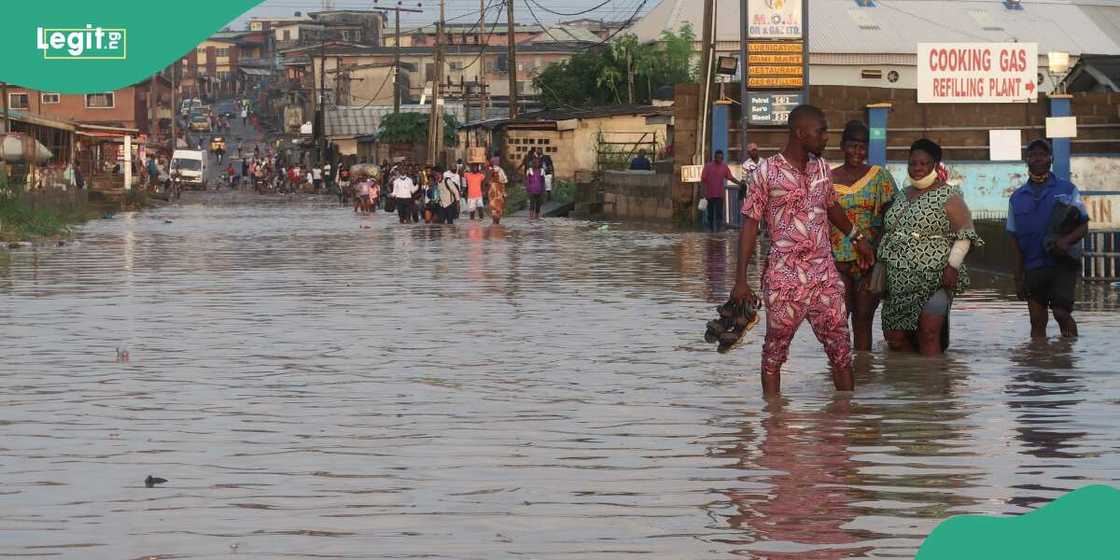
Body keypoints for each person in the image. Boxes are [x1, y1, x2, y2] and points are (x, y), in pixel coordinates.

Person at [730, 104, 875, 395]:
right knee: (774, 355)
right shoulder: (766, 172)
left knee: (841, 353)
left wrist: (857, 237)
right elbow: (749, 227)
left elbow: (831, 205)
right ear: (800, 133)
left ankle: (844, 428)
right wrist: (741, 280)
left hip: (824, 277)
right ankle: (774, 428)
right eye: (821, 131)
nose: (826, 138)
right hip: (785, 279)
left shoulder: (821, 168)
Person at [879, 139, 983, 356]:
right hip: (897, 281)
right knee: (895, 339)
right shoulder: (901, 195)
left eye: (923, 164)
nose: (917, 169)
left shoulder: (949, 196)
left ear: (935, 165)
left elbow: (965, 235)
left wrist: (952, 266)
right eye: (912, 164)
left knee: (928, 334)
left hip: (935, 277)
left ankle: (932, 384)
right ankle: (909, 382)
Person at [1007, 139, 1090, 338]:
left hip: (1062, 263)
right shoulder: (1017, 198)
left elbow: (1084, 225)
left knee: (1061, 313)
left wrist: (1066, 241)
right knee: (1036, 320)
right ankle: (1039, 363)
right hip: (1033, 265)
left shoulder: (1067, 189)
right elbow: (1014, 241)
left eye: (1042, 155)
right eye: (1033, 155)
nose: (1038, 158)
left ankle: (1069, 356)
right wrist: (1018, 278)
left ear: (1050, 159)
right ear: (1027, 160)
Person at [829, 121, 898, 352]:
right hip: (836, 260)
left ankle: (863, 372)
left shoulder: (880, 177)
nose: (857, 152)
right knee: (837, 320)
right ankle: (840, 374)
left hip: (870, 260)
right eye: (852, 146)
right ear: (842, 146)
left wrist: (874, 251)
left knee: (864, 319)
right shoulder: (828, 179)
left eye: (862, 147)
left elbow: (892, 218)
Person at [700, 150, 745, 231]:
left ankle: (717, 230)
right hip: (709, 194)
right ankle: (711, 230)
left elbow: (730, 177)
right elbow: (703, 180)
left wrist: (739, 183)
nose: (719, 159)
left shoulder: (724, 167)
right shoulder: (708, 166)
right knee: (710, 214)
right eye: (718, 157)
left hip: (720, 195)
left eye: (721, 157)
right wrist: (703, 192)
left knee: (719, 214)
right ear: (715, 157)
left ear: (723, 158)